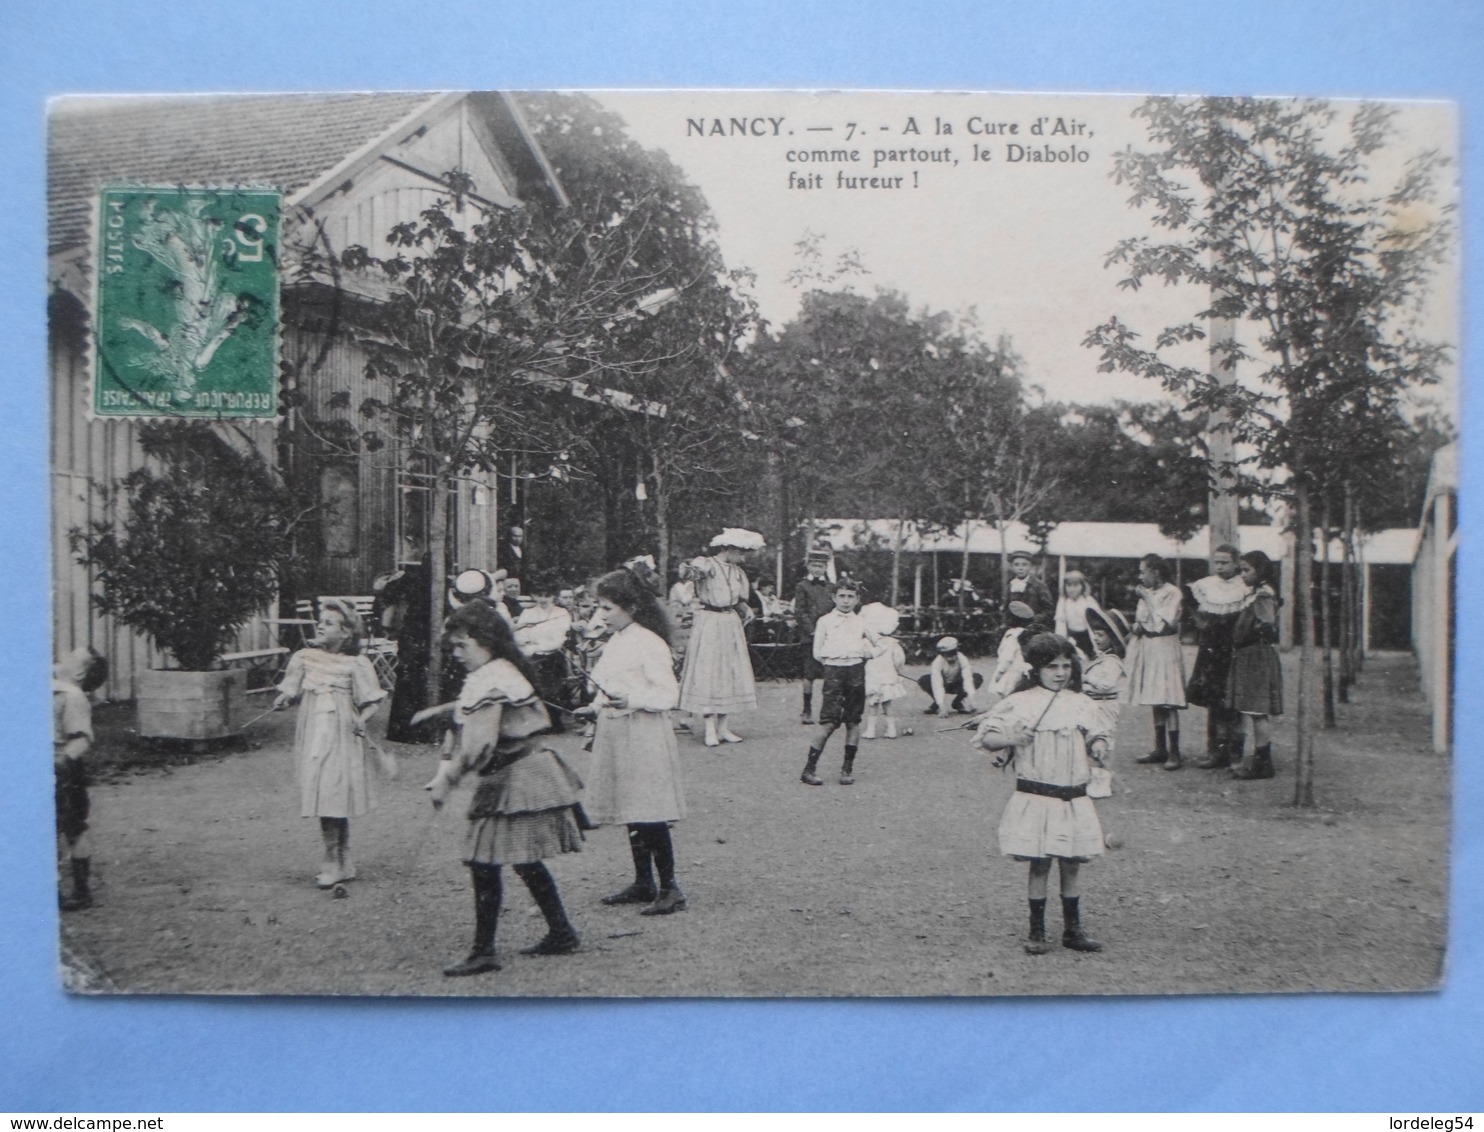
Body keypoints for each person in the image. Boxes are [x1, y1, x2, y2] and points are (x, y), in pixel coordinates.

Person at [418, 600, 585, 976]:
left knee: (484, 861)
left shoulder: (492, 677)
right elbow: (475, 710)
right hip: (522, 770)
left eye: (463, 645)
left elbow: (479, 744)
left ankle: (485, 951)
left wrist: (448, 779)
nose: (456, 654)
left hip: (517, 774)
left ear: (488, 641)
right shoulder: (497, 670)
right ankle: (561, 932)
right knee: (522, 859)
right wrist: (441, 713)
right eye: (454, 646)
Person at [974, 633, 1111, 954]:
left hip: (1073, 796)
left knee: (1071, 862)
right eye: (1052, 667)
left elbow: (1096, 735)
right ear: (1036, 669)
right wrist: (1011, 736)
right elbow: (989, 738)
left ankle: (1073, 929)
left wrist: (1100, 746)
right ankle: (1037, 931)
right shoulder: (1020, 703)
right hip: (1037, 796)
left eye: (1066, 666)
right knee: (1040, 863)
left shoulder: (1081, 703)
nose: (1060, 673)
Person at [580, 569, 690, 915]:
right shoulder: (619, 640)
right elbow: (608, 684)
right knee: (631, 808)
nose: (602, 615)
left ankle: (670, 888)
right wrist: (594, 706)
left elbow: (668, 694)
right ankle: (644, 882)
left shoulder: (649, 642)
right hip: (618, 732)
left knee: (649, 810)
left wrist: (631, 700)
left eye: (608, 608)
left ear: (630, 607)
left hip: (643, 734)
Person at [274, 599, 387, 888]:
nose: (320, 627)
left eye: (328, 623)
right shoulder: (304, 657)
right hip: (314, 733)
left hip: (341, 733)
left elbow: (372, 702)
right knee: (325, 793)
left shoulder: (355, 664)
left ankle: (336, 858)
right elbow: (291, 689)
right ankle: (338, 857)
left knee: (334, 793)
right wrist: (284, 698)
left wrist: (362, 719)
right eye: (320, 622)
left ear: (346, 632)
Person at [678, 528, 763, 747]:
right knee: (710, 672)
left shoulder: (737, 572)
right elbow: (687, 576)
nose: (742, 557)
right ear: (729, 549)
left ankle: (723, 727)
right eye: (740, 552)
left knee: (729, 671)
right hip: (710, 621)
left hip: (729, 622)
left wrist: (745, 609)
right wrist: (691, 571)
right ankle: (708, 728)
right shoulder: (707, 564)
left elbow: (735, 598)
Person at [800, 579, 878, 785]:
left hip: (856, 672)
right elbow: (817, 652)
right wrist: (834, 659)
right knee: (829, 722)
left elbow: (881, 643)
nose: (845, 601)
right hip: (834, 672)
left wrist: (868, 653)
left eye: (850, 596)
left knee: (853, 721)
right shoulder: (824, 621)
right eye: (841, 596)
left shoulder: (862, 622)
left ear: (857, 599)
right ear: (833, 597)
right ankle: (809, 769)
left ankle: (847, 770)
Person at [1185, 545, 1251, 770]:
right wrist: (1201, 623)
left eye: (1225, 562)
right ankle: (1215, 750)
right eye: (1217, 562)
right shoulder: (1205, 585)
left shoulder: (1244, 587)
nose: (1220, 566)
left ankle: (1235, 752)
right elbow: (1192, 607)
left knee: (1234, 701)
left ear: (1236, 563)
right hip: (1211, 648)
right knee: (1214, 699)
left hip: (1234, 649)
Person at [54, 646, 109, 911]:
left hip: (62, 770)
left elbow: (82, 738)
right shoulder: (53, 688)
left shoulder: (73, 696)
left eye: (71, 655)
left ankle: (81, 890)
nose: (63, 656)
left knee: (73, 828)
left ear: (78, 672)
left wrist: (61, 763)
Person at [1123, 553, 1188, 770]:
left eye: (1143, 571)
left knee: (1168, 698)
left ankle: (1175, 752)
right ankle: (1160, 748)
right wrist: (1137, 626)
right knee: (1155, 698)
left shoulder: (1172, 592)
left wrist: (1148, 600)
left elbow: (1163, 623)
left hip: (1165, 646)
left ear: (1156, 572)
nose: (1140, 576)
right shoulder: (1147, 593)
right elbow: (1143, 622)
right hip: (1149, 647)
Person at [1228, 550, 1284, 781]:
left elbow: (1267, 623)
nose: (1242, 574)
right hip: (1247, 655)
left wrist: (1254, 630)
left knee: (1257, 711)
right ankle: (1258, 760)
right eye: (1241, 569)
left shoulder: (1262, 595)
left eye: (1246, 570)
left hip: (1256, 656)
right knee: (1251, 709)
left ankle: (1263, 763)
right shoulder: (1253, 593)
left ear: (1260, 571)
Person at [380, 540, 433, 743]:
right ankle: (414, 729)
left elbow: (388, 591)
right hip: (418, 634)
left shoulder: (412, 577)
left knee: (409, 678)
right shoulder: (429, 580)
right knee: (414, 678)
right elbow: (389, 591)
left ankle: (404, 729)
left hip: (413, 634)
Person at [513, 588, 575, 732]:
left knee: (553, 690)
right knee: (535, 689)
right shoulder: (528, 613)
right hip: (533, 657)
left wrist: (535, 645)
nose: (543, 599)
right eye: (539, 595)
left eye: (547, 595)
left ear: (553, 596)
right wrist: (531, 645)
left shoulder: (561, 613)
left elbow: (558, 640)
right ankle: (539, 722)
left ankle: (554, 722)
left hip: (553, 657)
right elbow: (520, 637)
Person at [791, 550, 836, 725]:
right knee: (809, 674)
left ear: (825, 567)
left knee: (830, 673)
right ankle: (807, 710)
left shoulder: (832, 587)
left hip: (829, 637)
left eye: (821, 566)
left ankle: (828, 711)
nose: (817, 569)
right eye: (814, 565)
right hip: (810, 637)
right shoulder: (802, 586)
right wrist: (812, 631)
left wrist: (829, 631)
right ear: (808, 566)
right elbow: (800, 612)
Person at [861, 602, 908, 740]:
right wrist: (897, 671)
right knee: (888, 704)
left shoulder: (866, 642)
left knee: (873, 705)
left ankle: (871, 730)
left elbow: (862, 658)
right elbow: (899, 660)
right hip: (888, 678)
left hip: (873, 678)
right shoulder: (893, 643)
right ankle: (891, 729)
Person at [1082, 608, 1129, 747]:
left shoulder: (1112, 662)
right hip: (1095, 705)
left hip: (1104, 707)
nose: (1095, 638)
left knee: (1102, 740)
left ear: (1112, 640)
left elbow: (1106, 684)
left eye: (1100, 635)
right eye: (1095, 634)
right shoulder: (1102, 658)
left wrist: (1086, 679)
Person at [919, 635, 986, 715]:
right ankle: (937, 704)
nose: (951, 657)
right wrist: (942, 708)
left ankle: (957, 702)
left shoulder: (962, 659)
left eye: (953, 653)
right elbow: (937, 684)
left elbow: (968, 680)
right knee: (924, 680)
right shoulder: (937, 663)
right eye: (947, 655)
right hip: (944, 685)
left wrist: (973, 705)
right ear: (942, 654)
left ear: (957, 651)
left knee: (977, 678)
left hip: (957, 685)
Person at [987, 602, 1037, 701]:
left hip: (1011, 671)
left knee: (1008, 695)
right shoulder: (1027, 633)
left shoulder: (1011, 635)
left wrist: (1000, 672)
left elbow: (1007, 656)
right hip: (1023, 671)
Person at [1054, 570, 1105, 660]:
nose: (1072, 589)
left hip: (1087, 637)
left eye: (1076, 585)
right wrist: (1061, 642)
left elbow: (1095, 624)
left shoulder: (1088, 600)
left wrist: (1096, 645)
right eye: (1069, 585)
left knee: (1090, 659)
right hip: (1071, 636)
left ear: (1082, 586)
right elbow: (1060, 624)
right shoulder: (1063, 601)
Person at [1006, 551, 1054, 618]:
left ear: (1030, 566)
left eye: (1024, 564)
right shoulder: (1011, 585)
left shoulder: (1039, 585)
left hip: (1033, 625)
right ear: (1012, 567)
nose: (1020, 568)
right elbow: (1007, 608)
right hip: (1013, 625)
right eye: (1016, 565)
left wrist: (1035, 618)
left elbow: (1049, 610)